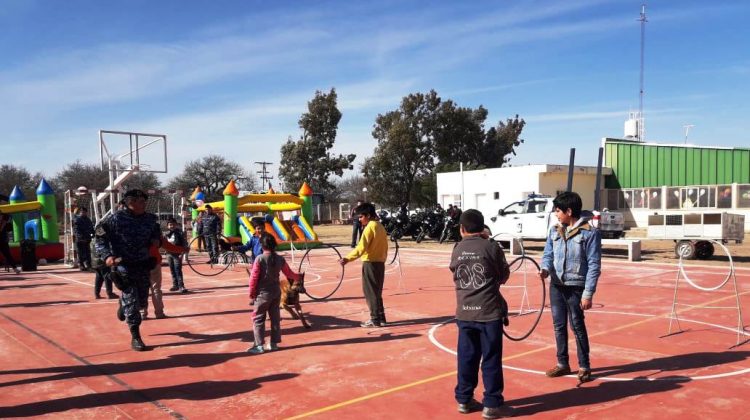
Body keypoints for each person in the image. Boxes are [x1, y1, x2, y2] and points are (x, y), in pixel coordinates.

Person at [450, 209, 512, 419]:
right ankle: (492, 404)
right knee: (491, 359)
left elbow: (454, 272)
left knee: (466, 358)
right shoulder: (491, 246)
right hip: (488, 313)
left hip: (465, 313)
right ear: (483, 227)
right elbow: (503, 275)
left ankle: (464, 399)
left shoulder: (457, 248)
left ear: (462, 229)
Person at [539, 191, 601, 383]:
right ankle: (562, 363)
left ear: (568, 210)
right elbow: (548, 254)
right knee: (559, 325)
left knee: (577, 326)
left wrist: (588, 293)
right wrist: (545, 268)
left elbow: (594, 265)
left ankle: (584, 366)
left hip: (576, 286)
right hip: (556, 285)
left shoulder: (589, 233)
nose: (556, 214)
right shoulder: (554, 230)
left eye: (558, 211)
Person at [95, 189, 162, 351]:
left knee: (141, 302)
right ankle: (136, 337)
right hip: (123, 265)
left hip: (143, 264)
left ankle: (122, 304)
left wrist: (156, 241)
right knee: (132, 301)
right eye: (140, 201)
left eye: (144, 201)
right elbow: (99, 237)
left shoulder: (150, 219)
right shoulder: (115, 219)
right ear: (130, 202)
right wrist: (107, 256)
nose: (144, 204)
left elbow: (157, 236)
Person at [247, 233, 303, 354]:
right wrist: (298, 277)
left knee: (258, 319)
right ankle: (273, 343)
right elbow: (289, 274)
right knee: (275, 318)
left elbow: (253, 278)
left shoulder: (260, 259)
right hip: (275, 292)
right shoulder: (280, 259)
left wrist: (252, 294)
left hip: (263, 294)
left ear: (262, 245)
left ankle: (258, 345)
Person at [339, 202, 389, 327]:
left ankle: (375, 319)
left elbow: (361, 248)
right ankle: (381, 317)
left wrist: (347, 258)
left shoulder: (369, 227)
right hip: (380, 263)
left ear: (368, 215)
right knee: (377, 291)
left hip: (370, 263)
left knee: (370, 291)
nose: (360, 220)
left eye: (361, 217)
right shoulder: (380, 226)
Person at [165, 217, 189, 293]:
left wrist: (182, 254)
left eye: (173, 224)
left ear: (176, 225)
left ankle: (181, 285)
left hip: (177, 254)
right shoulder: (166, 234)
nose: (171, 226)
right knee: (172, 270)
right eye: (170, 225)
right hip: (169, 254)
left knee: (178, 270)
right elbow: (164, 244)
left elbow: (184, 244)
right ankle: (175, 285)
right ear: (167, 226)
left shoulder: (179, 233)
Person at [0, 195, 21, 274]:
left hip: (2, 238)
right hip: (3, 237)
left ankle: (15, 268)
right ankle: (15, 268)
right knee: (7, 254)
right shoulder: (5, 214)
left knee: (7, 254)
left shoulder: (5, 214)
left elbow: (3, 226)